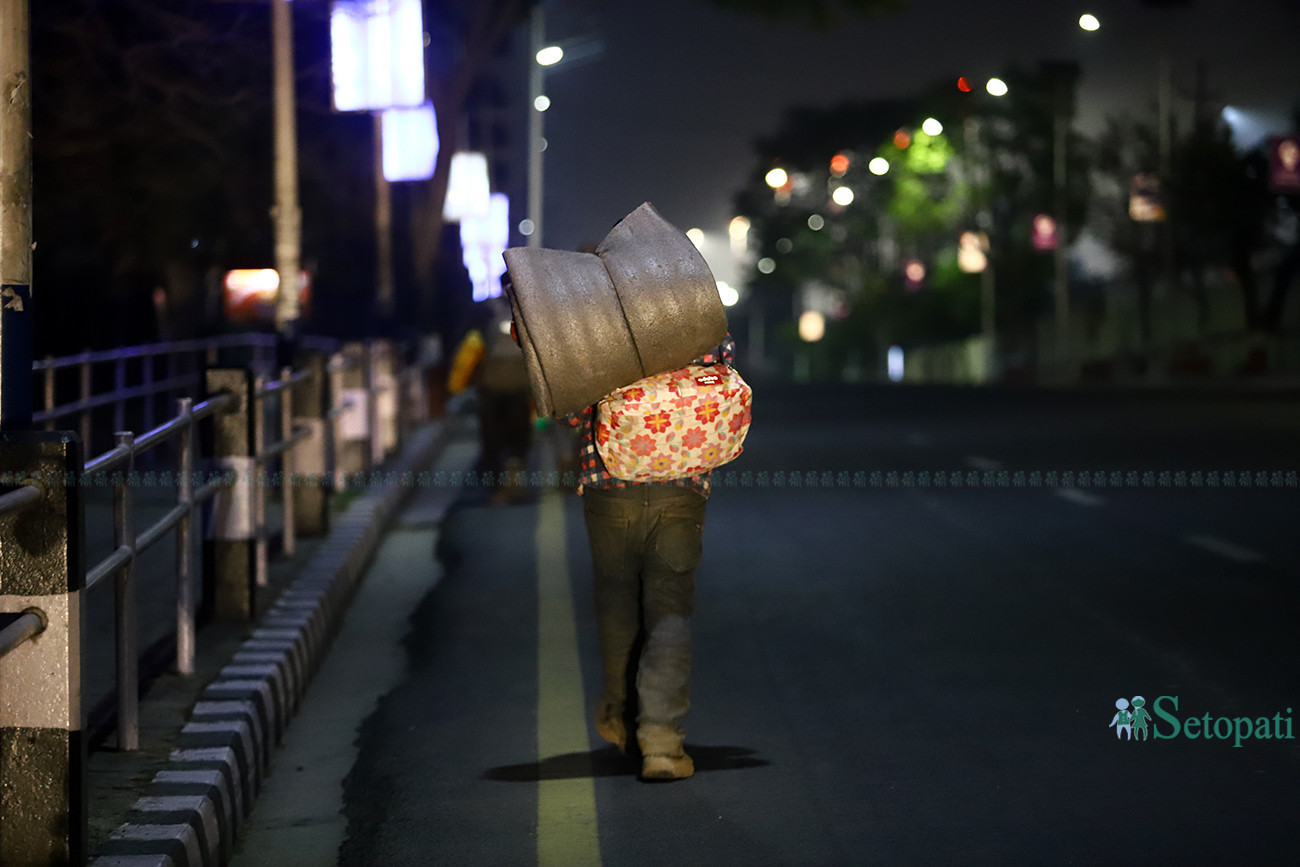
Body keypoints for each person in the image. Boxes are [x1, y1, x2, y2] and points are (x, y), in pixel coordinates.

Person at [561, 334, 736, 781]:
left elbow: (571, 409)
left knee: (617, 604)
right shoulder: (697, 315)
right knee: (669, 611)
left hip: (609, 483)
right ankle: (661, 743)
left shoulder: (591, 321)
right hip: (681, 483)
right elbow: (721, 381)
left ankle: (621, 719)